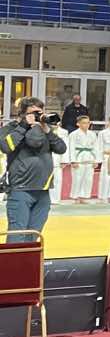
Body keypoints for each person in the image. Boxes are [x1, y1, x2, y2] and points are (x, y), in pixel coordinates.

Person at [2, 99, 66, 236]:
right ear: (22, 113)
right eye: (34, 113)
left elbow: (61, 148)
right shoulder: (11, 128)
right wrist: (24, 125)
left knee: (34, 234)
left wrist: (47, 131)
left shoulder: (44, 130)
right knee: (17, 234)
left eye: (40, 113)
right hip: (20, 190)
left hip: (43, 191)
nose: (37, 116)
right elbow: (6, 147)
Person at [66, 115, 98, 202]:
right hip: (78, 158)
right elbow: (71, 148)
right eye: (84, 123)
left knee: (88, 179)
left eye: (88, 123)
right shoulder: (73, 134)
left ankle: (84, 196)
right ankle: (76, 197)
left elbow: (96, 147)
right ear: (78, 124)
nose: (86, 125)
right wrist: (73, 161)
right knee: (77, 178)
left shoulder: (92, 134)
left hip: (90, 157)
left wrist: (96, 160)